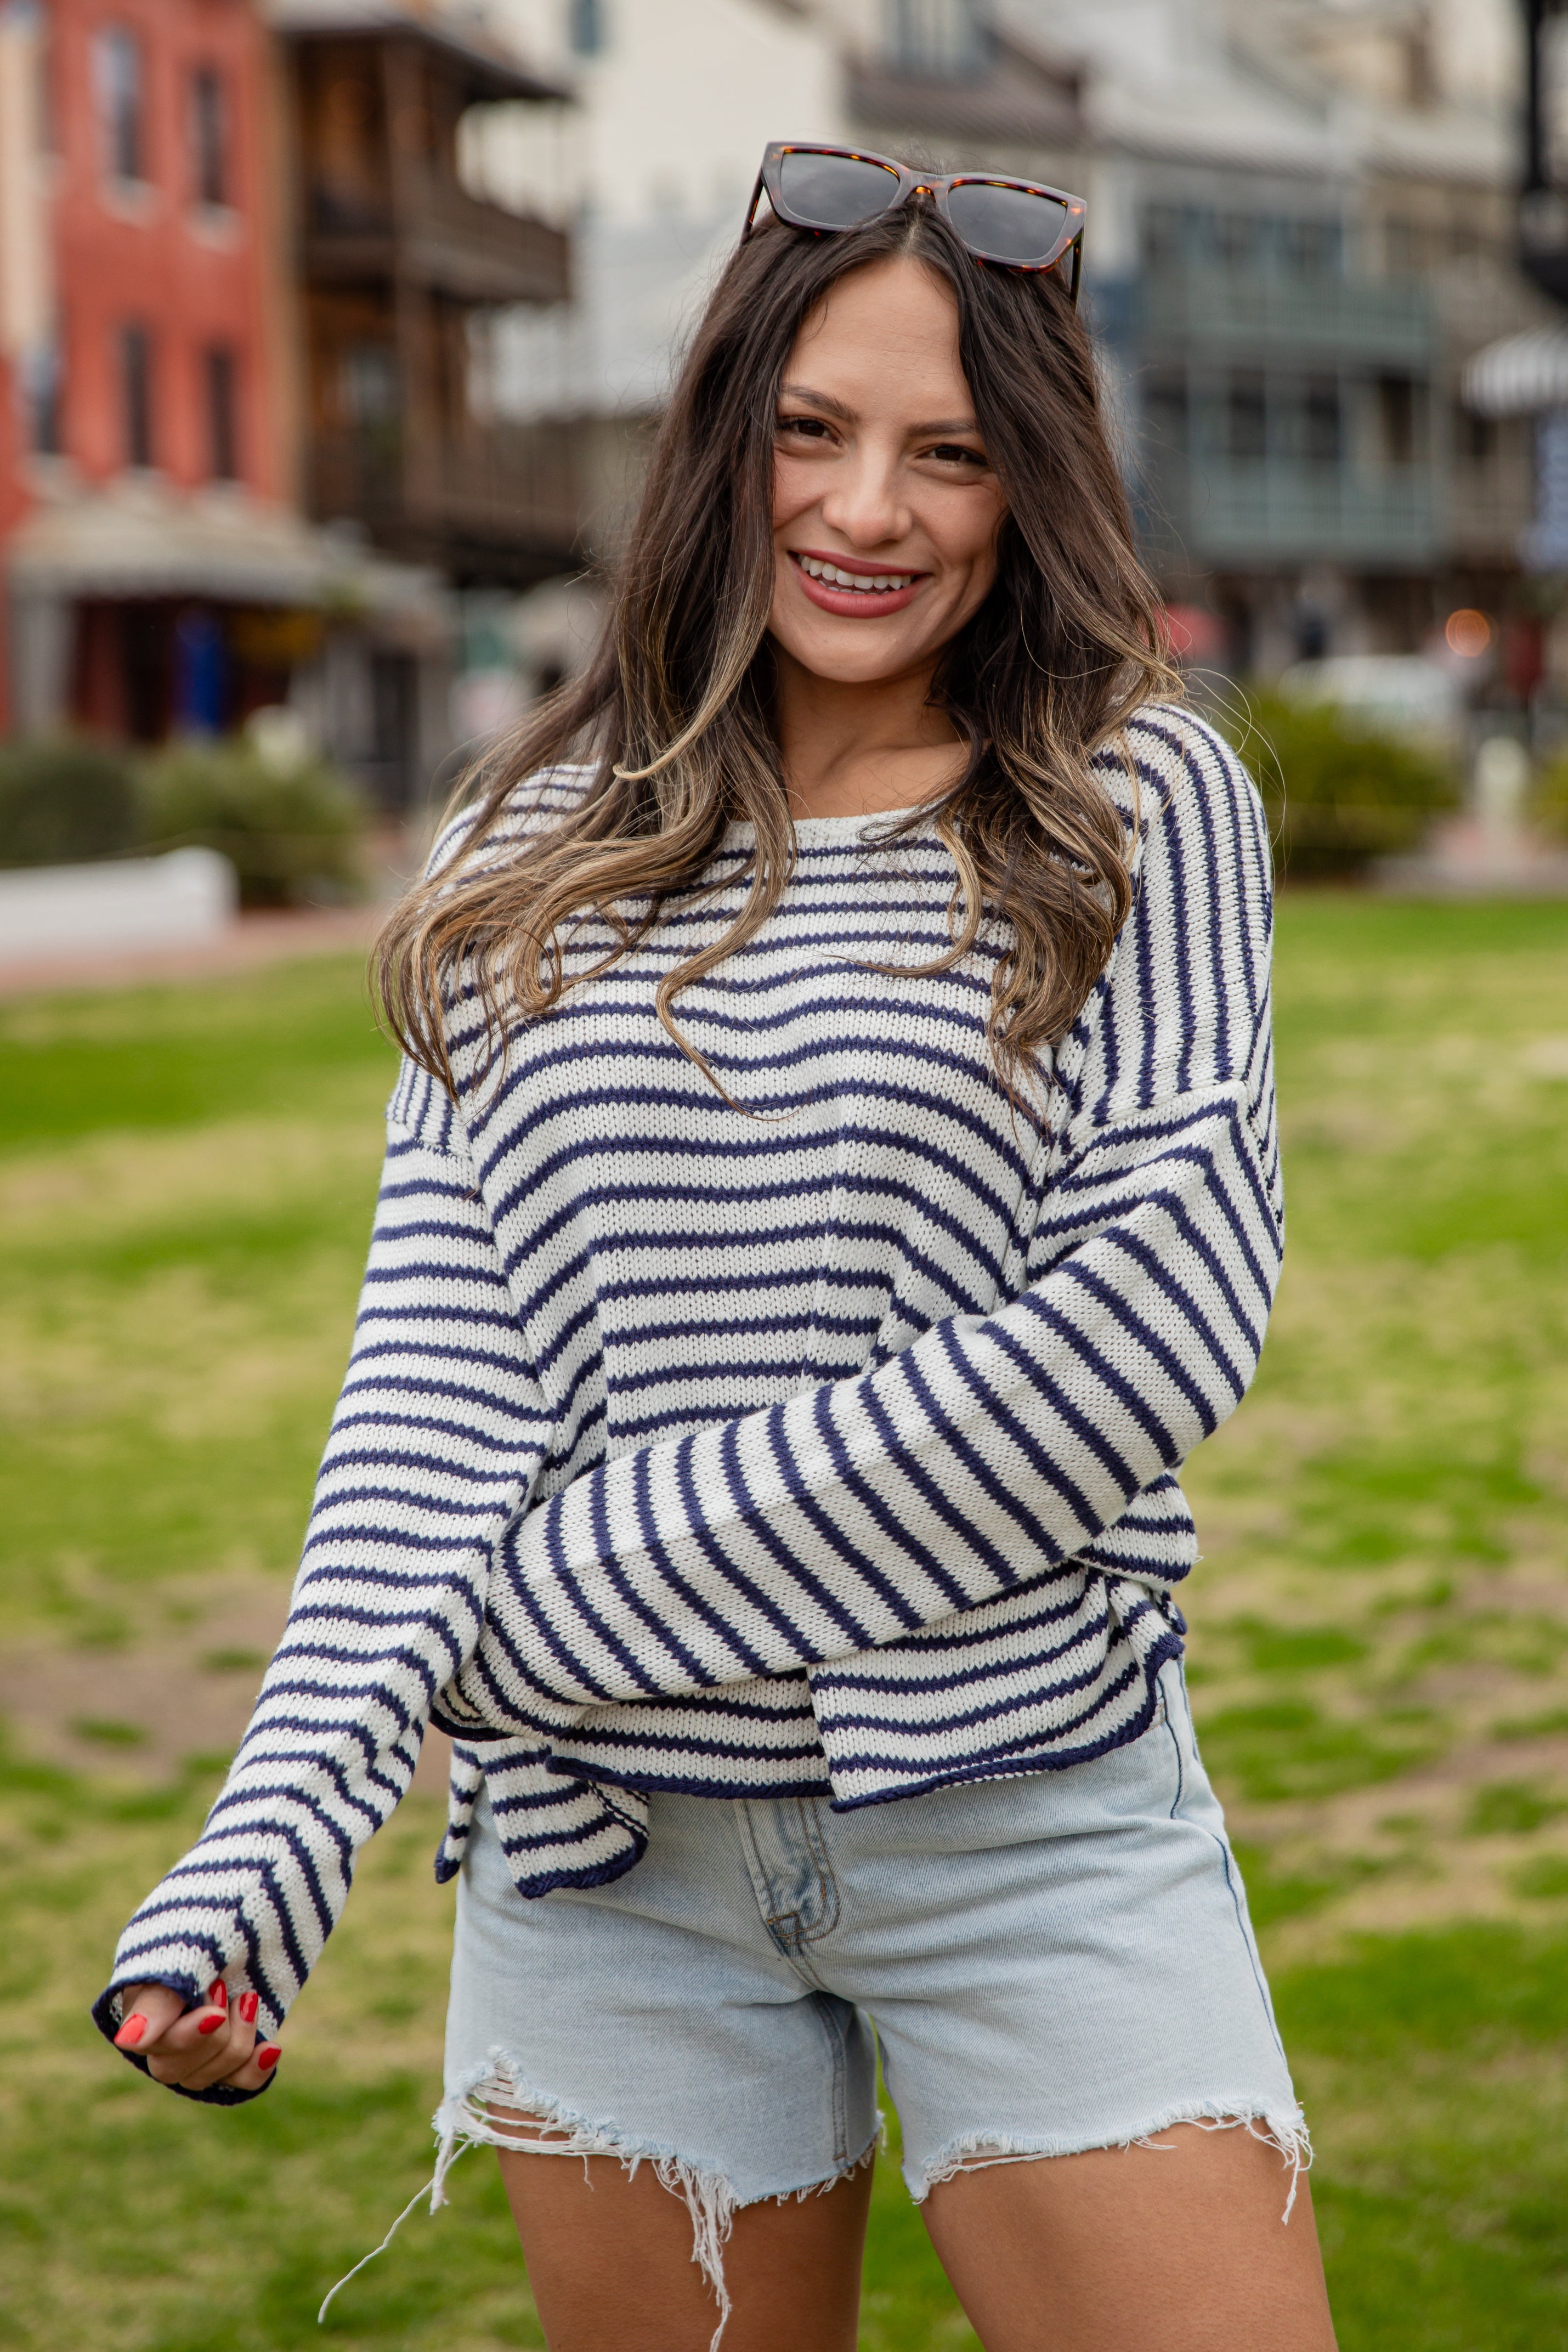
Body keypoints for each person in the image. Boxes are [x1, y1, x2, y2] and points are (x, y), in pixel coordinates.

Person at [95, 145, 1337, 2352]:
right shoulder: (522, 842)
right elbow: (441, 1378)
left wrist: (530, 1606)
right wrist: (262, 1854)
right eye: (811, 433)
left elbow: (1145, 1325)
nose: (869, 511)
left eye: (949, 453)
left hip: (1025, 1822)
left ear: (1028, 482)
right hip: (609, 1878)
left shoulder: (1135, 799)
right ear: (716, 444)